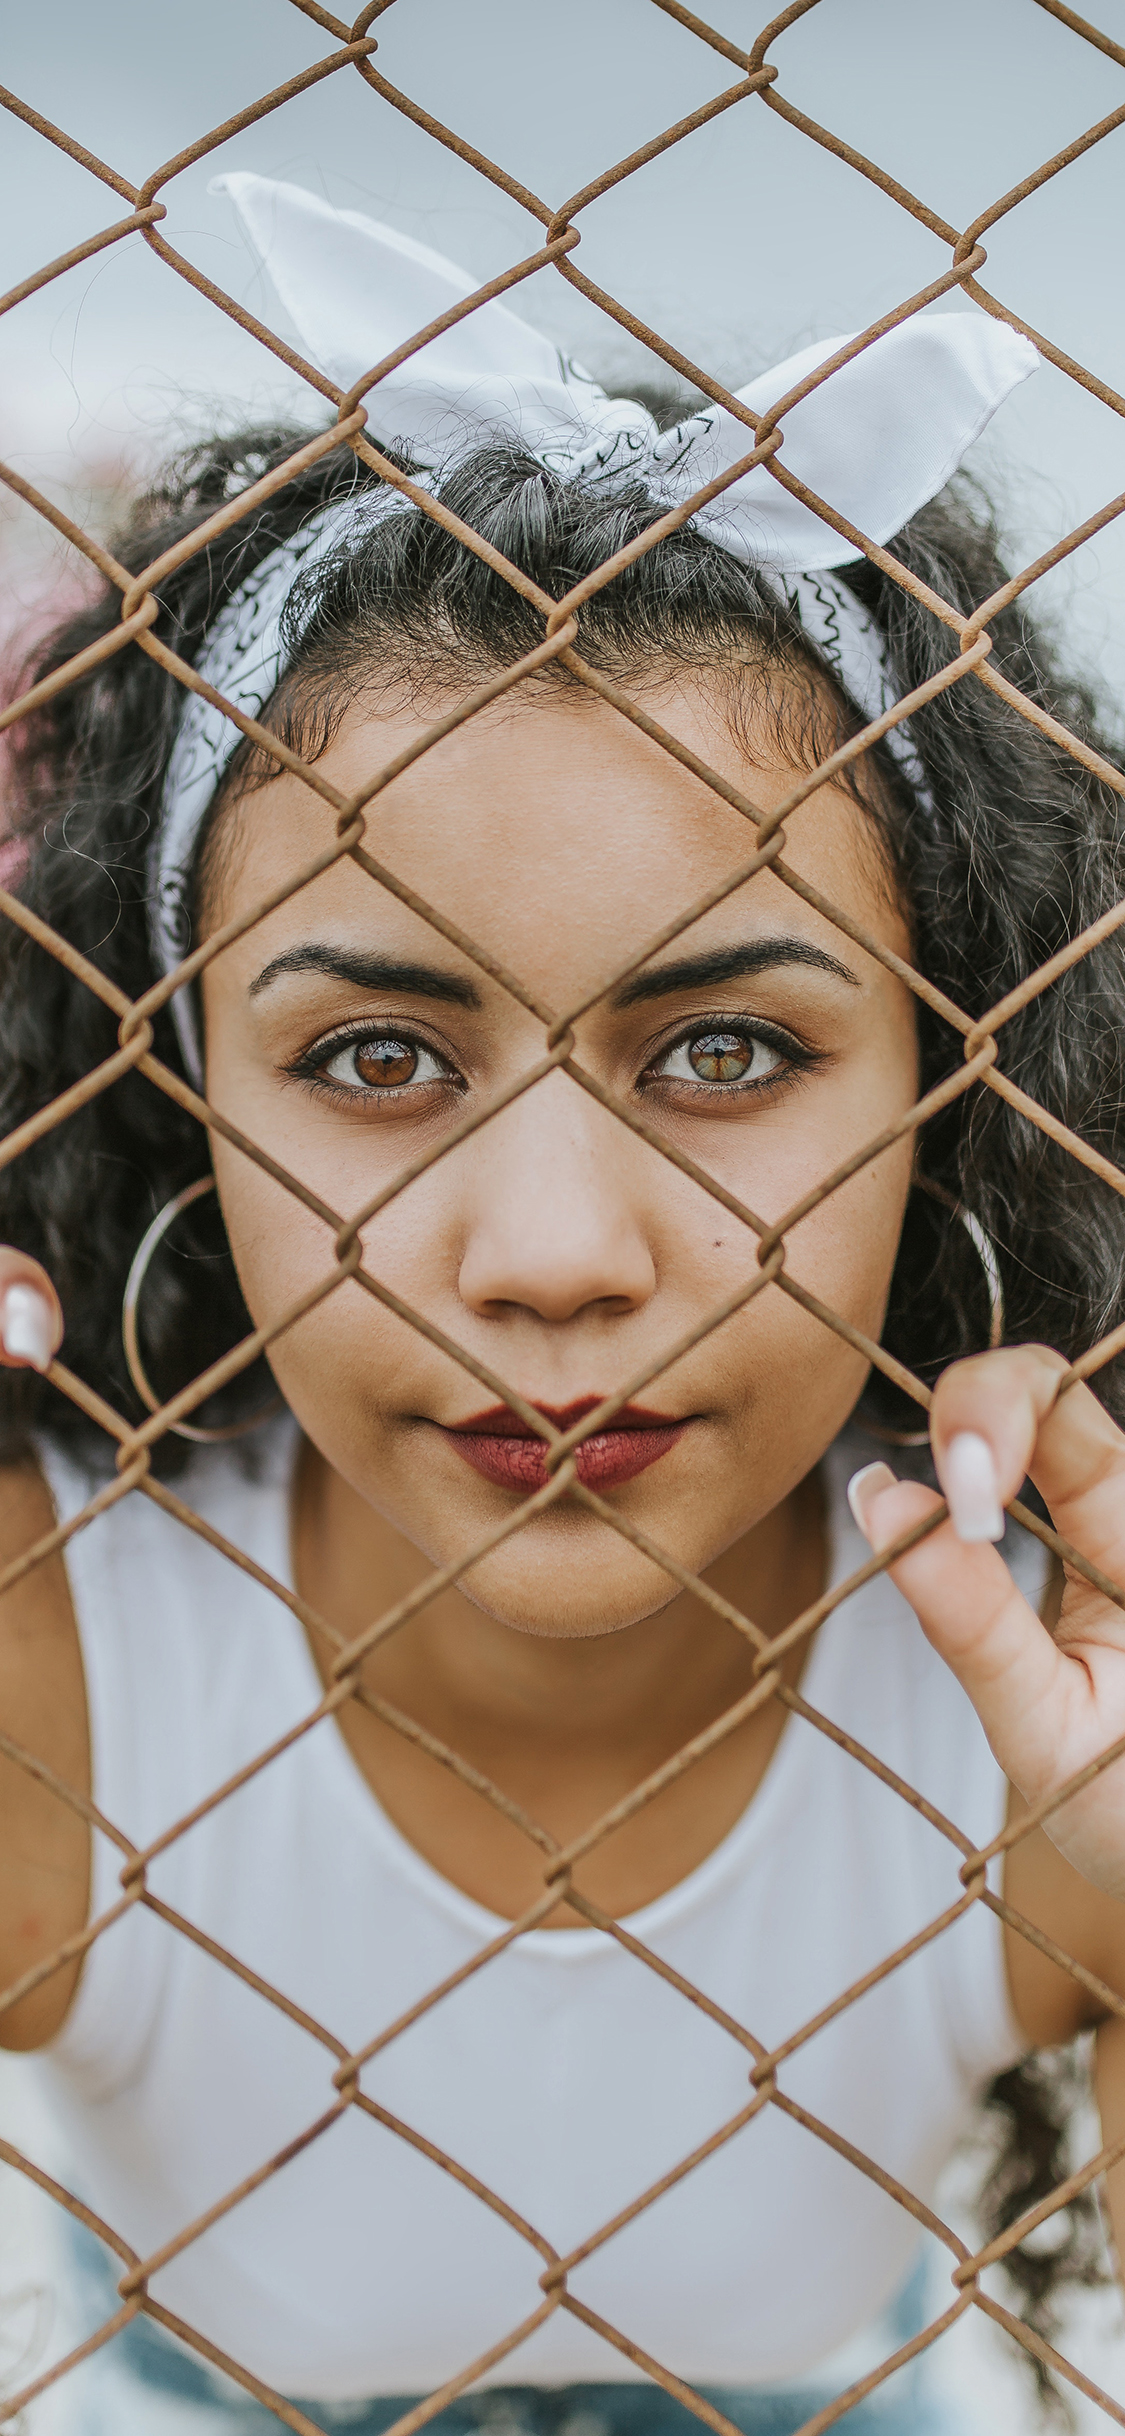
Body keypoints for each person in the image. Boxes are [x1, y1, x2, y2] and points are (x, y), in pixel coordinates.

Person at [0, 176, 1124, 2436]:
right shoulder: (62, 1646)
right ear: (175, 1077)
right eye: (370, 1057)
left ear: (953, 1081)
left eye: (726, 1051)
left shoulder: (1042, 1684)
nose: (548, 1255)